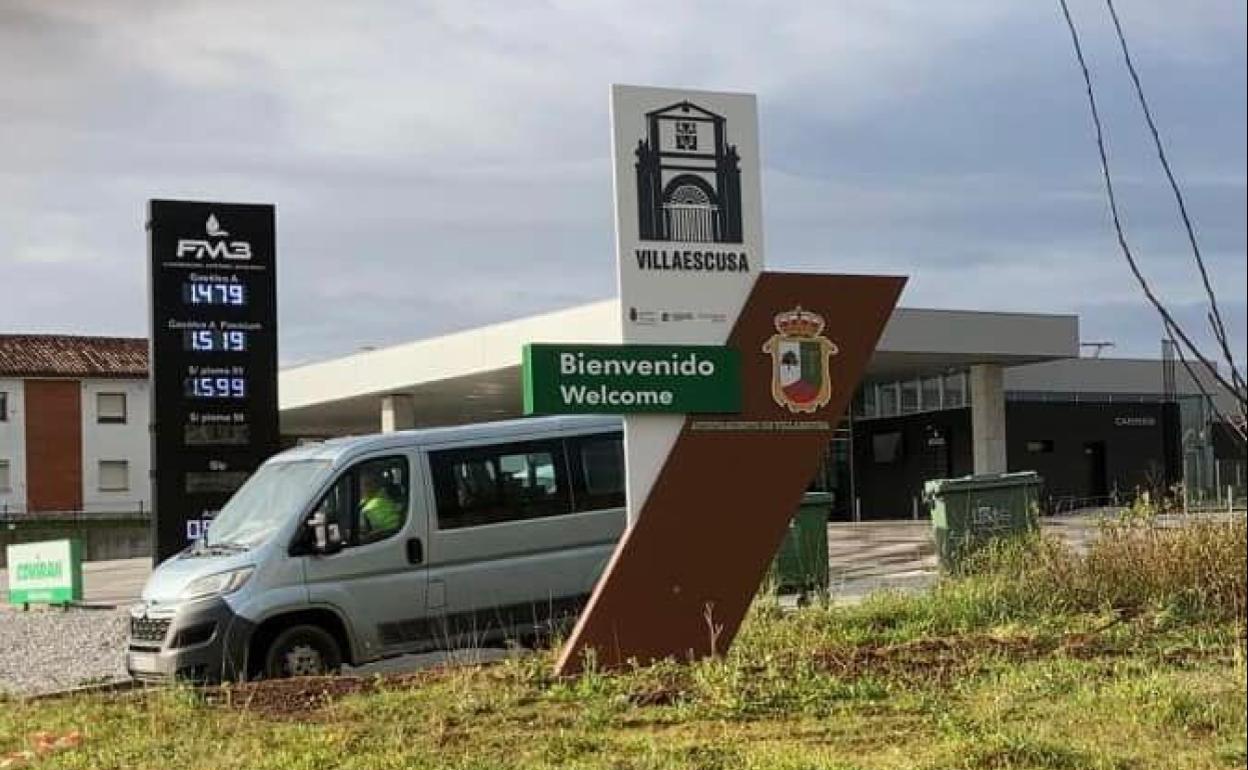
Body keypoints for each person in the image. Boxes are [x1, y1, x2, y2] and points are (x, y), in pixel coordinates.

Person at [359, 471, 402, 537]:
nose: (363, 488)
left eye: (367, 484)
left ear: (376, 484)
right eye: (361, 485)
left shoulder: (378, 504)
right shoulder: (366, 500)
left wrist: (369, 535)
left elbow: (393, 529)